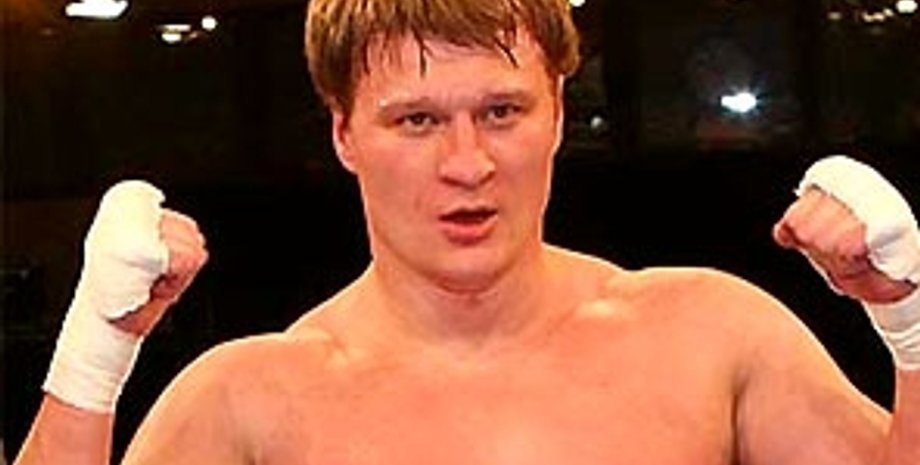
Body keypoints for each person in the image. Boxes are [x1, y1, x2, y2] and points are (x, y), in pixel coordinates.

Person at [12, 0, 920, 463]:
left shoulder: (711, 336)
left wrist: (912, 323)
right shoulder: (249, 401)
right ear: (344, 134)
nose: (467, 162)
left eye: (500, 111)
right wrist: (92, 358)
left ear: (557, 111)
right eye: (417, 120)